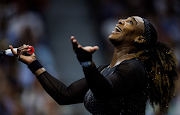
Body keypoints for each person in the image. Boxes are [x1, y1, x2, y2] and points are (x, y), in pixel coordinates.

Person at [9, 16, 178, 115]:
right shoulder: (103, 71)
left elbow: (104, 92)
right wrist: (33, 63)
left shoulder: (135, 68)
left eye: (130, 22)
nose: (121, 20)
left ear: (140, 39)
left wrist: (87, 63)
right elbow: (64, 95)